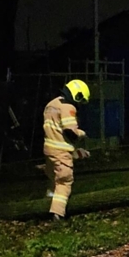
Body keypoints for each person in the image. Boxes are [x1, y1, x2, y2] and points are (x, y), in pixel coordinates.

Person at [42, 79, 91, 220]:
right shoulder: (68, 108)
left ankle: (45, 206)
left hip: (49, 150)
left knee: (53, 181)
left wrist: (78, 153)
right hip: (60, 152)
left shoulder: (51, 105)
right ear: (78, 95)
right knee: (64, 183)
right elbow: (70, 133)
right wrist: (81, 133)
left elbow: (58, 134)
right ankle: (57, 214)